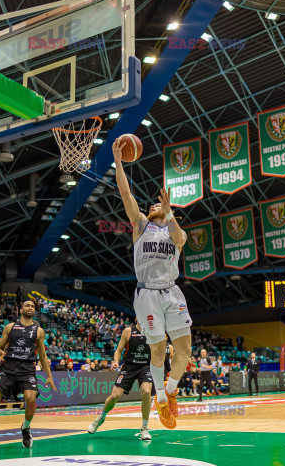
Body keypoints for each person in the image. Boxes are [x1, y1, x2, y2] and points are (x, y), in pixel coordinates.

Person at [113, 139, 192, 430]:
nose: (153, 204)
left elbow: (179, 237)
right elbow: (125, 192)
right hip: (147, 293)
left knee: (184, 351)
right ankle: (160, 398)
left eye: (158, 204)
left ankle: (170, 392)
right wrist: (119, 162)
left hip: (172, 291)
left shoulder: (175, 232)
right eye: (152, 204)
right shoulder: (141, 226)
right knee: (158, 351)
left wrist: (169, 211)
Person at [0, 300, 56, 452]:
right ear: (21, 310)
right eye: (27, 305)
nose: (30, 308)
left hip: (27, 369)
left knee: (31, 398)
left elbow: (43, 355)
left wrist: (49, 376)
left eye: (32, 306)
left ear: (34, 311)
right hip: (8, 367)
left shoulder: (39, 331)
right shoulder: (10, 327)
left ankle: (25, 428)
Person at [88, 322, 153, 440]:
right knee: (114, 396)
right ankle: (101, 418)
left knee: (147, 392)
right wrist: (116, 361)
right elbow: (118, 350)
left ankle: (144, 428)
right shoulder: (128, 331)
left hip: (145, 367)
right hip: (129, 367)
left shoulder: (153, 331)